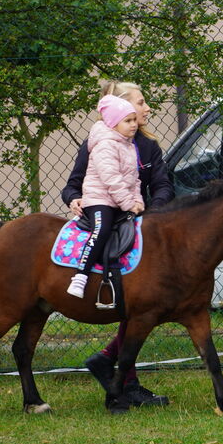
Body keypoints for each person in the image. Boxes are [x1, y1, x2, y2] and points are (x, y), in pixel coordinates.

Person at [61, 80, 174, 407]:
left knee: (141, 301)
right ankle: (125, 379)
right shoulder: (99, 142)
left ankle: (114, 365)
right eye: (141, 102)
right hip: (107, 216)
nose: (147, 108)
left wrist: (151, 214)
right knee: (129, 297)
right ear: (122, 109)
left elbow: (164, 185)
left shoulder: (149, 147)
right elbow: (73, 184)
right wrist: (74, 200)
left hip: (141, 221)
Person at [67, 94, 145, 298]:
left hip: (118, 201)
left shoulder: (128, 145)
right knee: (101, 230)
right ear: (113, 123)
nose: (133, 125)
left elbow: (134, 179)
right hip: (99, 200)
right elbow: (112, 180)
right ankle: (80, 277)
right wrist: (128, 203)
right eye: (127, 121)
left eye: (134, 120)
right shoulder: (105, 145)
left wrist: (137, 201)